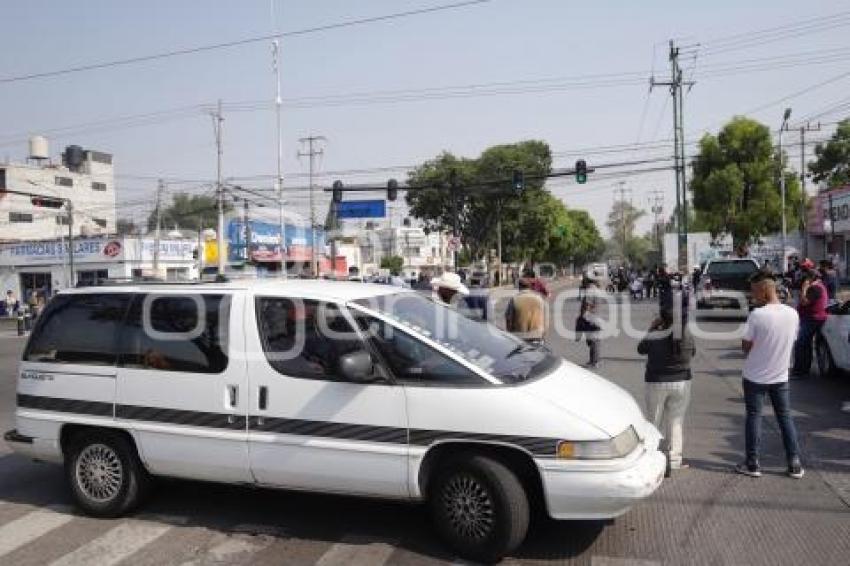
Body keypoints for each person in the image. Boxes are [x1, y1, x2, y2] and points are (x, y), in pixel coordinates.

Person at [737, 269, 804, 479]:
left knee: (754, 417)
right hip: (780, 376)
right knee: (785, 418)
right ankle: (794, 463)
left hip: (755, 376)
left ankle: (753, 463)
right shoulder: (792, 314)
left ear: (764, 291)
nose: (753, 296)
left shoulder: (757, 315)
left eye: (754, 292)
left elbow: (745, 347)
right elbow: (792, 341)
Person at [637, 307, 694, 470]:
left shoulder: (655, 334)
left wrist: (652, 328)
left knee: (653, 419)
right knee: (676, 420)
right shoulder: (686, 334)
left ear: (661, 319)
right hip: (682, 381)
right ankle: (675, 459)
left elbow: (641, 349)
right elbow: (693, 352)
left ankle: (650, 455)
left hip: (656, 380)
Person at [791, 260, 828, 379]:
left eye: (807, 278)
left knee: (801, 344)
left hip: (813, 318)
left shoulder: (815, 288)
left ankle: (800, 371)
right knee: (805, 344)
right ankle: (804, 369)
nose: (805, 280)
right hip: (811, 318)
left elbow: (804, 301)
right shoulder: (817, 286)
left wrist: (804, 288)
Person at [505, 278, 546, 344]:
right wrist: (542, 333)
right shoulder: (539, 298)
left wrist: (510, 334)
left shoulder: (514, 299)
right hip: (537, 335)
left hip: (519, 336)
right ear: (529, 287)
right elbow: (544, 319)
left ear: (519, 287)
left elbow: (508, 319)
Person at [576, 282, 602, 368]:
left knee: (593, 341)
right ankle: (593, 361)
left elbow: (588, 305)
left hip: (590, 319)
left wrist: (583, 317)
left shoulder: (590, 291)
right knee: (594, 341)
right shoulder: (597, 291)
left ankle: (594, 362)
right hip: (596, 318)